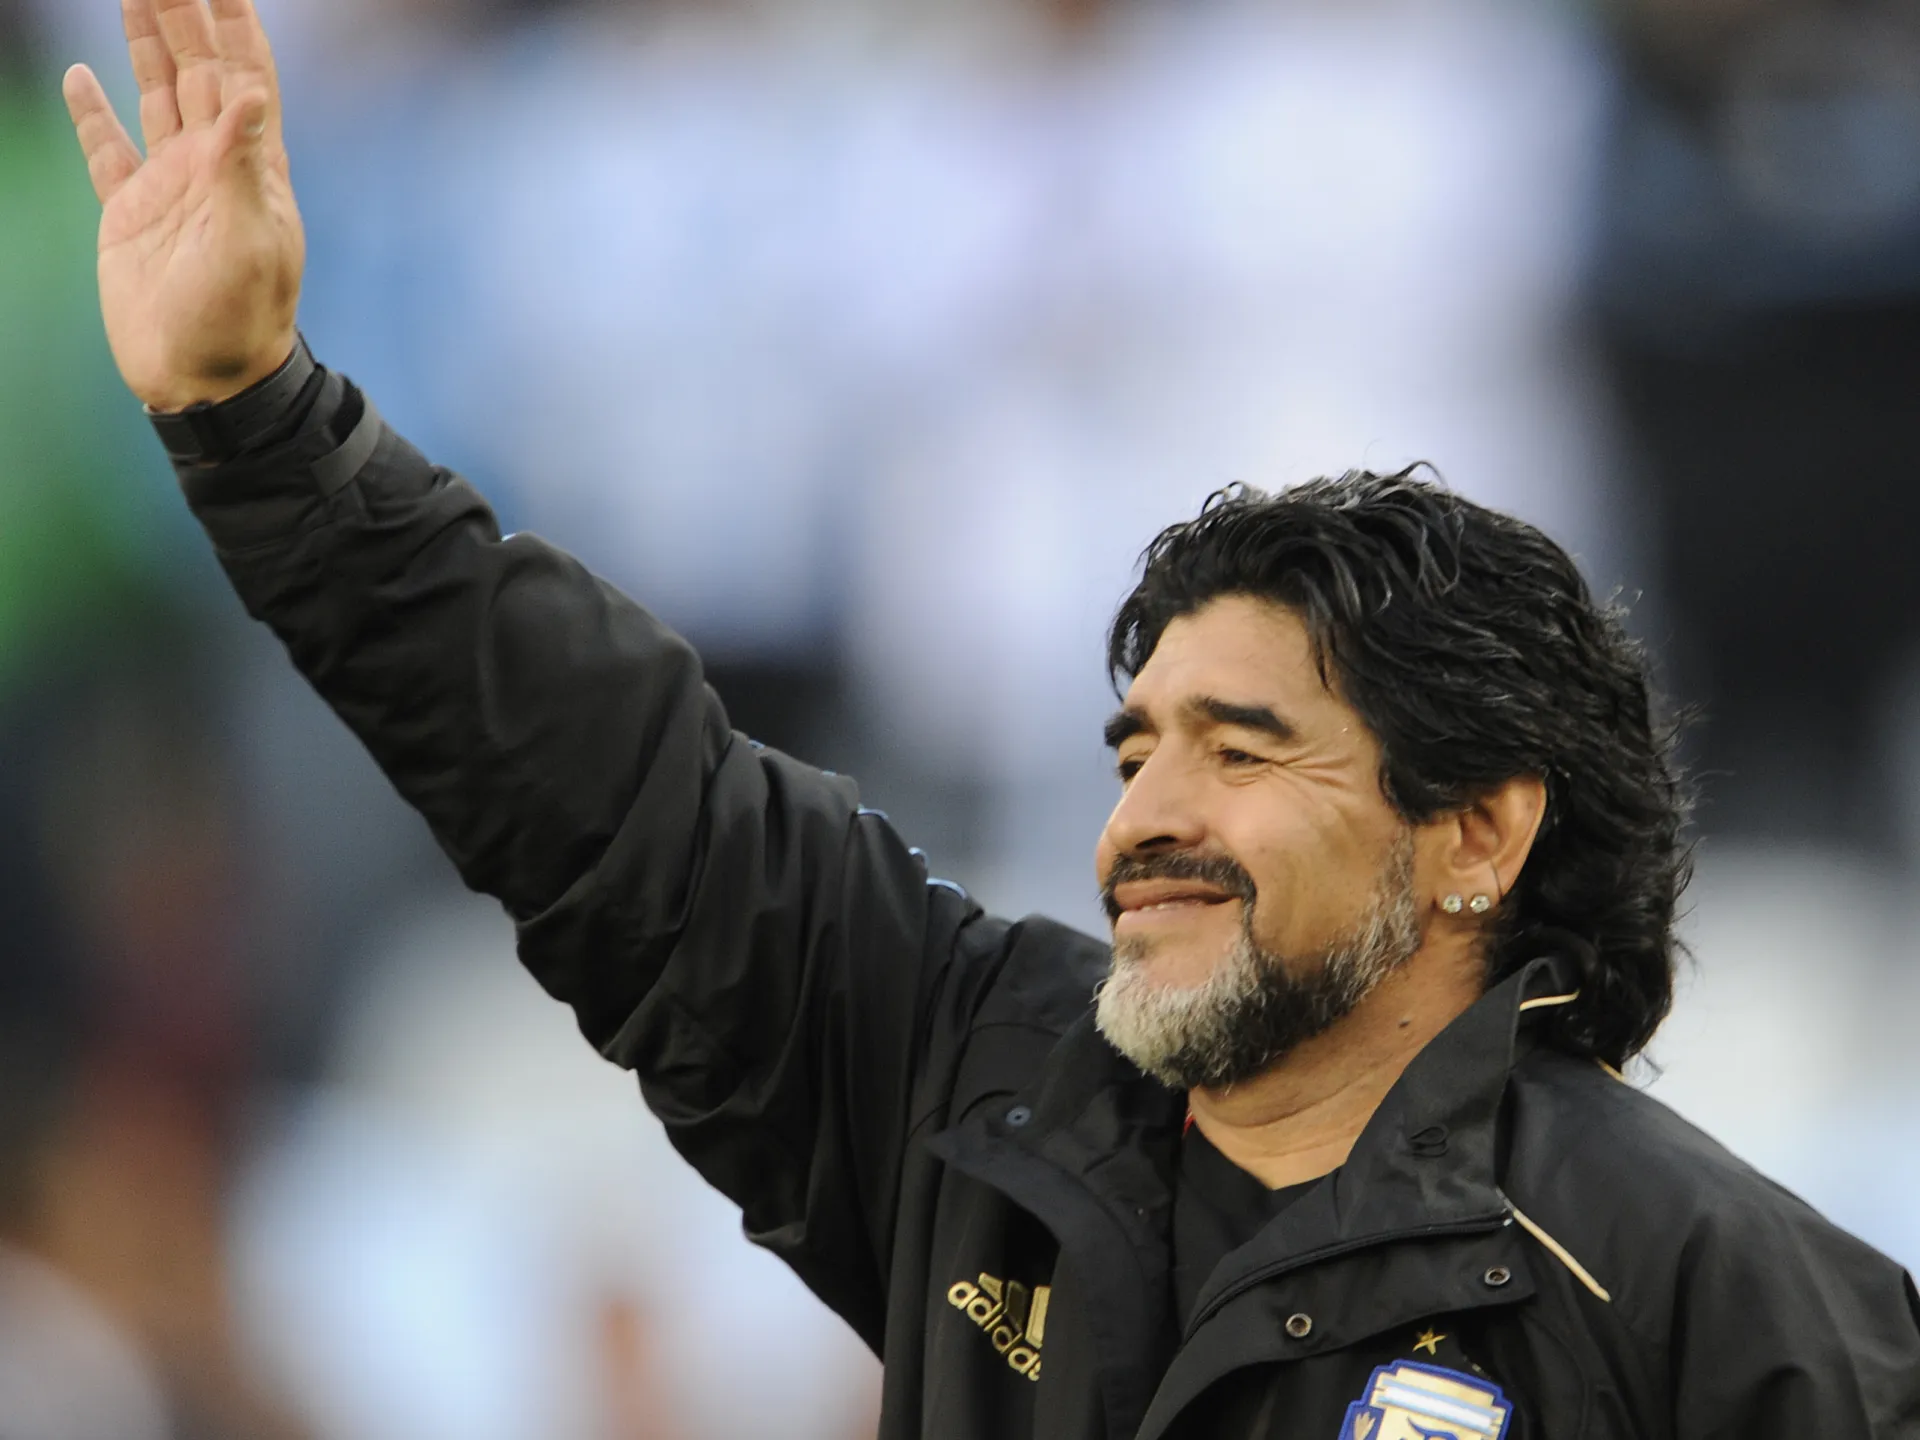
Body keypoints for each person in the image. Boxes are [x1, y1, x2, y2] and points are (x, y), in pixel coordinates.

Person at [61, 2, 1920, 1436]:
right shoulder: (978, 1096)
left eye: (1241, 749)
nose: (1147, 816)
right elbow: (607, 785)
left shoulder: (1720, 1298)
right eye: (1137, 749)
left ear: (1478, 834)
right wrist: (259, 416)